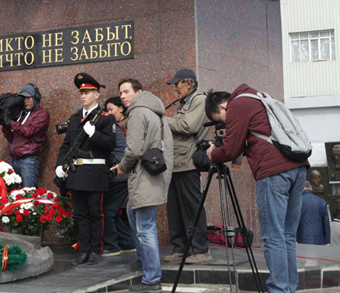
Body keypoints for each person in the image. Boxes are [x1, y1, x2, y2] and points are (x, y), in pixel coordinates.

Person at [205, 85, 309, 293]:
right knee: (287, 235)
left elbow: (231, 149)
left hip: (273, 173)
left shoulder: (238, 105)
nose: (225, 124)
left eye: (222, 119)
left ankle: (279, 289)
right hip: (298, 167)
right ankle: (288, 288)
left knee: (273, 236)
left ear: (223, 107)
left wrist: (212, 153)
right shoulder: (259, 98)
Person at [113, 78, 173, 293]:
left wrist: (122, 167)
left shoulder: (138, 113)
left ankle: (151, 279)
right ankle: (144, 261)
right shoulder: (156, 112)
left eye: (126, 91)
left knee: (145, 228)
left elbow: (134, 150)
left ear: (139, 92)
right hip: (154, 174)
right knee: (132, 213)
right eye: (120, 92)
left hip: (144, 176)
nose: (122, 96)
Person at [55, 73, 116, 266]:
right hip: (76, 173)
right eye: (81, 92)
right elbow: (66, 146)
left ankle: (95, 250)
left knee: (95, 214)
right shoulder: (74, 119)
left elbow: (110, 144)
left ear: (97, 95)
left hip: (95, 173)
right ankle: (84, 249)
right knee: (80, 214)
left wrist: (94, 134)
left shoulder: (106, 118)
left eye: (88, 92)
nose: (83, 96)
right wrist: (59, 165)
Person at [163, 69, 212, 264]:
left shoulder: (199, 100)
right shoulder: (187, 102)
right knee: (174, 209)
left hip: (188, 162)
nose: (175, 88)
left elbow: (187, 126)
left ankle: (200, 249)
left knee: (192, 207)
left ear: (189, 83)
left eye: (178, 84)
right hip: (175, 161)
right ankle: (180, 248)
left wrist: (162, 119)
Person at [101, 97, 135, 256]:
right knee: (112, 211)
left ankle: (112, 246)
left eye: (111, 109)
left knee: (108, 210)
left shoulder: (113, 127)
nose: (108, 113)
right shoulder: (114, 126)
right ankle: (128, 242)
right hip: (120, 173)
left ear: (121, 108)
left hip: (119, 173)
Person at [1, 83, 50, 188]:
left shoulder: (41, 114)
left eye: (28, 98)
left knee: (29, 196)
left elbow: (29, 131)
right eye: (23, 98)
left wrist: (11, 123)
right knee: (14, 196)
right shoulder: (21, 115)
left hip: (28, 161)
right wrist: (5, 125)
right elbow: (13, 139)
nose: (25, 101)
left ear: (35, 98)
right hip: (14, 160)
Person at [297, 180, 331, 245]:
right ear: (311, 188)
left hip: (302, 238)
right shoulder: (322, 202)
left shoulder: (297, 202)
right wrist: (327, 241)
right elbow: (326, 223)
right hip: (319, 238)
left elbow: (293, 221)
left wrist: (294, 239)